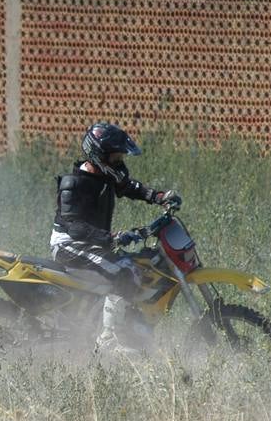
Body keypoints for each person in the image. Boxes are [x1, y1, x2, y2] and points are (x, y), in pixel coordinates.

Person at [50, 122, 181, 353]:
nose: (120, 162)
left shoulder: (105, 175)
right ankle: (108, 339)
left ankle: (124, 326)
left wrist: (158, 196)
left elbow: (129, 187)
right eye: (116, 157)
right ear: (100, 156)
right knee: (127, 270)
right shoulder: (73, 184)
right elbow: (74, 227)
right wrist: (111, 237)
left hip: (92, 244)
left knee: (142, 264)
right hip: (70, 246)